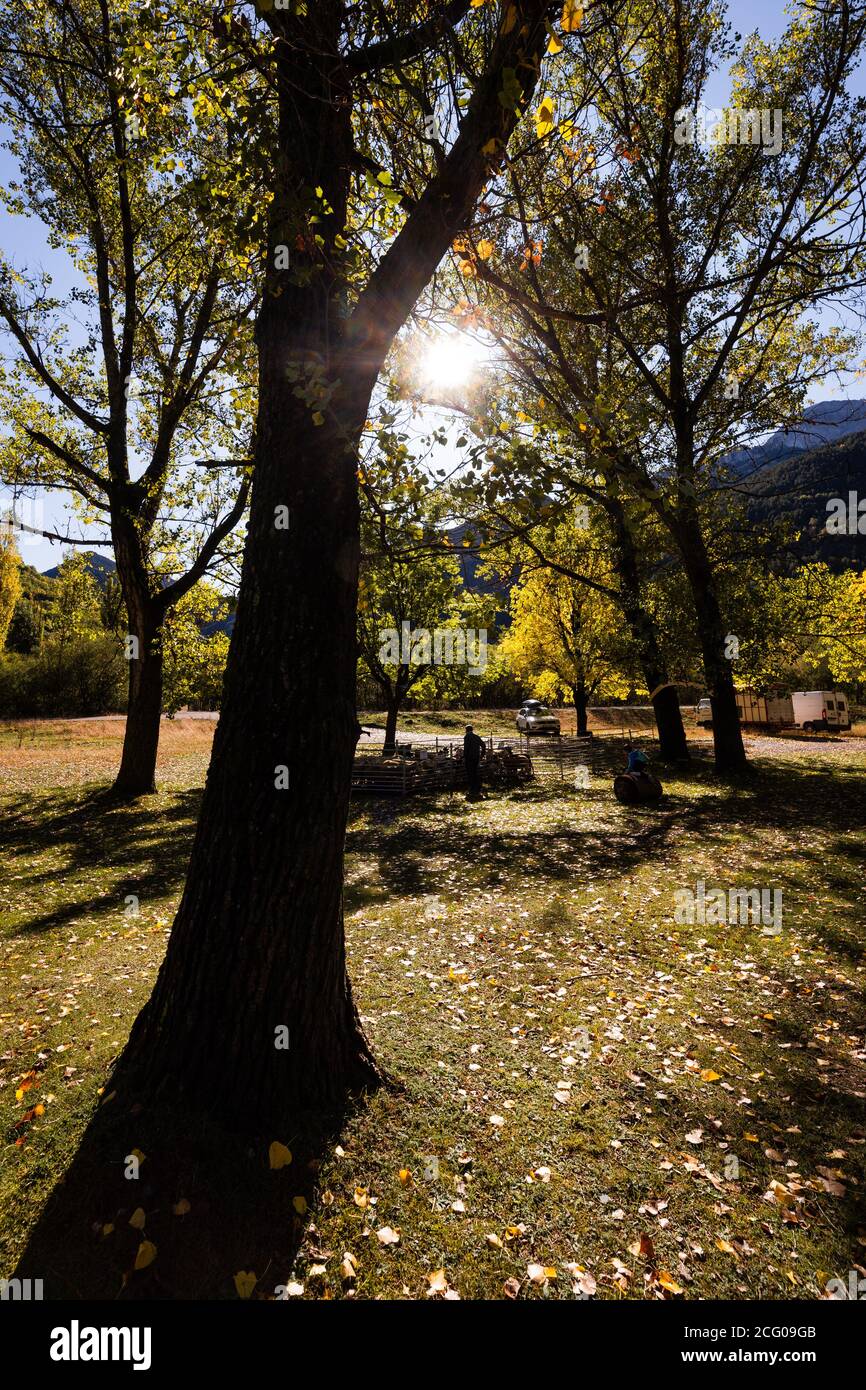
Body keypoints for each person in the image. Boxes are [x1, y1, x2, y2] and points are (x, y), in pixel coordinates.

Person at [463, 725, 485, 799]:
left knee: (470, 773)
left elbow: (466, 748)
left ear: (466, 730)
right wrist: (482, 755)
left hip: (469, 758)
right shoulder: (476, 736)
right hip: (476, 757)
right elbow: (483, 745)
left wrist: (464, 757)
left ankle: (472, 789)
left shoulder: (467, 737)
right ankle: (477, 788)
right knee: (475, 772)